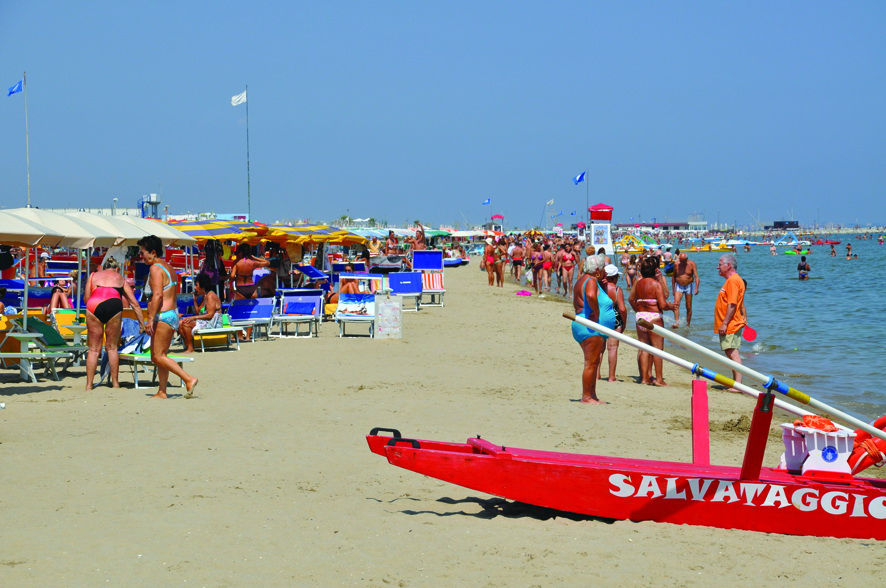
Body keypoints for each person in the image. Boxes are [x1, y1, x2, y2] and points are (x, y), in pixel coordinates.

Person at [139, 235, 198, 399]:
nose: (141, 256)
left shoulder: (155, 268)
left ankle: (188, 379)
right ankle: (162, 391)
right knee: (161, 355)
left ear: (153, 252)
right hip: (171, 314)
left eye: (142, 252)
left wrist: (150, 318)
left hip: (162, 315)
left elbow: (157, 295)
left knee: (157, 356)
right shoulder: (169, 268)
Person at [84, 256, 144, 391]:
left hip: (94, 303)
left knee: (93, 349)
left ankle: (89, 385)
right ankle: (115, 384)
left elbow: (86, 299)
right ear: (117, 268)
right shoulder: (120, 278)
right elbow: (134, 303)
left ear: (103, 268)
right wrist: (141, 324)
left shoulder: (93, 276)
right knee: (112, 348)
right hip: (113, 303)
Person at [571, 254, 615, 404]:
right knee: (591, 362)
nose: (604, 271)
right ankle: (587, 396)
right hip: (589, 327)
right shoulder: (590, 280)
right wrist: (596, 313)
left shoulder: (582, 280)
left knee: (594, 362)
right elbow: (590, 296)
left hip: (582, 324)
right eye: (602, 269)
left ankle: (592, 395)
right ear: (597, 270)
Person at [629, 256, 675, 386]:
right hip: (654, 317)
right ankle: (659, 379)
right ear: (654, 270)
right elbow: (663, 304)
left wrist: (638, 310)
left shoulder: (638, 282)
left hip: (641, 317)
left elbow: (631, 299)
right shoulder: (656, 284)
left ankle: (644, 378)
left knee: (644, 348)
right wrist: (671, 307)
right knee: (657, 350)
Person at [715, 254, 746, 392]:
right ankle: (735, 383)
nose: (718, 267)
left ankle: (738, 385)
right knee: (730, 352)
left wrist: (725, 323)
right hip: (731, 322)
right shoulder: (733, 280)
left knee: (732, 352)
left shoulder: (733, 281)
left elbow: (732, 304)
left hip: (731, 323)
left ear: (728, 266)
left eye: (720, 264)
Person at [179, 272, 222, 353]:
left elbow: (210, 315)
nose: (195, 287)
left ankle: (190, 347)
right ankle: (189, 345)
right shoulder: (204, 296)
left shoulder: (210, 296)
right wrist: (195, 300)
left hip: (213, 323)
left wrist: (193, 318)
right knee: (180, 323)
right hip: (206, 322)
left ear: (203, 286)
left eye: (196, 285)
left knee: (185, 323)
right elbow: (198, 313)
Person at [600, 264, 626, 382]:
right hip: (614, 320)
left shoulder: (599, 288)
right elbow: (622, 309)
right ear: (615, 277)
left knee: (600, 349)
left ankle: (597, 374)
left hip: (601, 318)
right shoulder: (617, 290)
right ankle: (611, 376)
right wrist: (624, 322)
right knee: (613, 348)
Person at [671, 252, 699, 328]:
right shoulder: (676, 264)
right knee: (676, 304)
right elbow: (673, 277)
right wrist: (673, 289)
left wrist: (697, 288)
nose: (682, 262)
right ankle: (677, 322)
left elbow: (696, 276)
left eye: (683, 261)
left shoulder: (692, 264)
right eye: (681, 260)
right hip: (679, 286)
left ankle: (688, 324)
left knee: (688, 306)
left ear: (687, 259)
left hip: (689, 286)